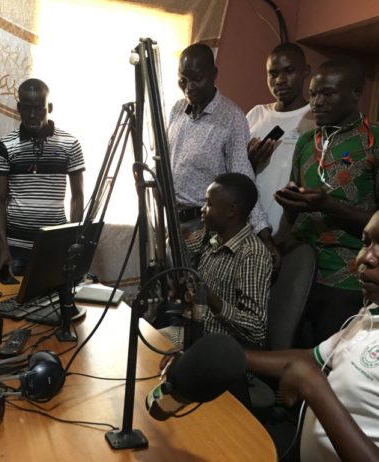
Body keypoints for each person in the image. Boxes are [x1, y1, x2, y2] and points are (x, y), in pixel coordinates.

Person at [245, 209, 379, 462]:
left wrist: (314, 387)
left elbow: (308, 373)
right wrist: (235, 356)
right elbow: (312, 358)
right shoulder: (370, 315)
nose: (365, 257)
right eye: (366, 242)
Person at [275, 57, 379, 345]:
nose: (316, 103)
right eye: (313, 94)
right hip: (300, 271)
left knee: (330, 359)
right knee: (291, 350)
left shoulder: (374, 141)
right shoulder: (307, 142)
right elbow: (293, 212)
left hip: (347, 278)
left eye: (328, 94)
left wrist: (328, 205)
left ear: (356, 93)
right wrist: (279, 240)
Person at [168, 42, 278, 266]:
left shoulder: (232, 118)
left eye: (197, 78)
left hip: (202, 226)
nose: (189, 87)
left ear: (214, 74)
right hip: (168, 220)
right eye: (182, 79)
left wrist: (264, 234)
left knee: (192, 286)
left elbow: (242, 177)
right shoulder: (177, 110)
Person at [160, 173, 272, 348]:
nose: (202, 209)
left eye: (209, 204)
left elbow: (256, 329)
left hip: (219, 346)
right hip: (195, 332)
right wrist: (176, 236)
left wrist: (213, 300)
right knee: (143, 338)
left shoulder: (252, 254)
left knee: (148, 347)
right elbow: (183, 250)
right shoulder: (213, 236)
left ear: (231, 210)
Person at [0, 78, 85, 278]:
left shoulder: (70, 144)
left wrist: (71, 240)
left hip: (54, 245)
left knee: (53, 296)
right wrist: (2, 247)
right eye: (26, 108)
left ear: (49, 107)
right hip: (14, 247)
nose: (32, 115)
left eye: (39, 108)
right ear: (19, 108)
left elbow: (77, 196)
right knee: (12, 297)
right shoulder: (4, 146)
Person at [247, 42, 315, 241]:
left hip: (293, 233)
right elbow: (236, 173)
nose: (280, 80)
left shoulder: (316, 117)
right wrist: (251, 161)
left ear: (305, 71)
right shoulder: (256, 114)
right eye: (273, 74)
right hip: (250, 228)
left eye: (289, 71)